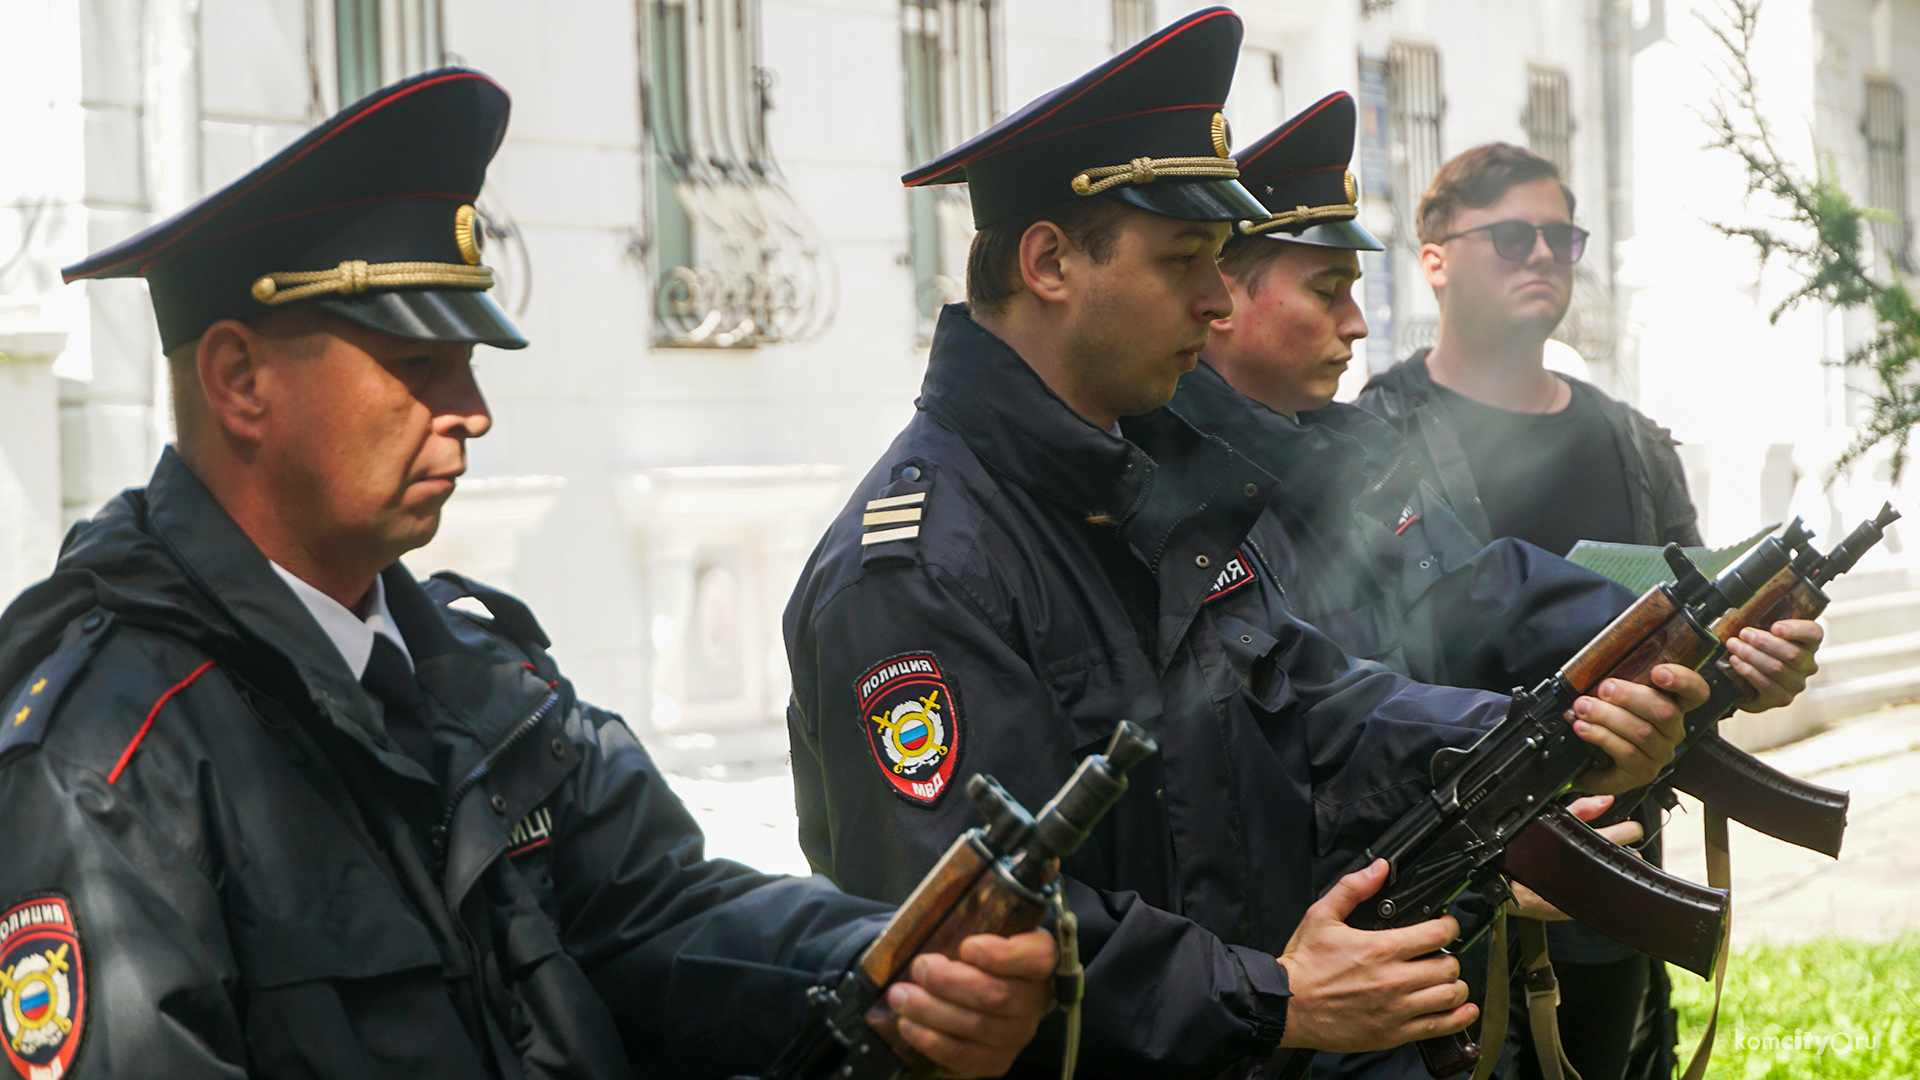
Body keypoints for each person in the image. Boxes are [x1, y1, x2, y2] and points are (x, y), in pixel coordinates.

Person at [0, 68, 1057, 1080]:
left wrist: (892, 962)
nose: (473, 409)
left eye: (469, 360)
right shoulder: (107, 766)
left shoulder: (469, 676)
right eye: (419, 367)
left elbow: (659, 911)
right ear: (239, 380)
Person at [783, 12, 1708, 1078]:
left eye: (1222, 262)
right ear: (1048, 262)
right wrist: (1275, 998)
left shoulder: (1148, 493)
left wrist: (1555, 731)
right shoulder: (917, 567)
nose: (1217, 300)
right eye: (1186, 260)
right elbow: (969, 934)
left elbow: (1319, 713)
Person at [1174, 99, 1823, 1080]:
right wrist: (1492, 812)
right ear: (1223, 295)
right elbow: (1285, 745)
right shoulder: (1215, 489)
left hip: (1453, 923)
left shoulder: (1354, 459)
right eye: (1329, 289)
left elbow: (1487, 591)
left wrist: (1719, 633)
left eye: (1562, 236)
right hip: (1307, 979)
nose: (1355, 319)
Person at [1354, 144, 1823, 1080]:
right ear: (1434, 258)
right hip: (1455, 870)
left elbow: (1701, 638)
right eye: (1511, 235)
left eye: (1560, 236)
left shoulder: (1630, 440)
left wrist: (1758, 669)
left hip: (1619, 853)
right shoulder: (1374, 434)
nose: (1542, 255)